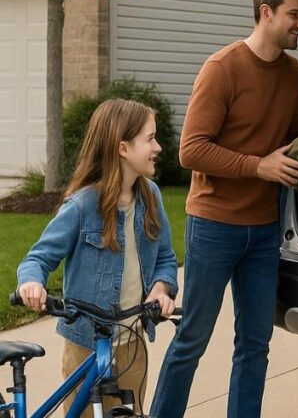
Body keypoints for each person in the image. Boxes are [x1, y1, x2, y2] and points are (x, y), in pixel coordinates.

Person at [150, 0, 298, 418]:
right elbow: (191, 150)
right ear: (267, 13)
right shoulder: (222, 68)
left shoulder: (293, 73)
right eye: (294, 14)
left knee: (256, 344)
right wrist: (259, 166)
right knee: (193, 338)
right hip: (214, 225)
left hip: (264, 230)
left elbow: (295, 139)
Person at [17, 99, 179, 417]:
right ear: (123, 148)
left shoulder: (151, 197)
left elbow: (165, 258)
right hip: (85, 344)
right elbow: (37, 258)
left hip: (131, 343)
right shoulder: (82, 206)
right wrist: (31, 283)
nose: (158, 147)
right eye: (150, 138)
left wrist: (161, 289)